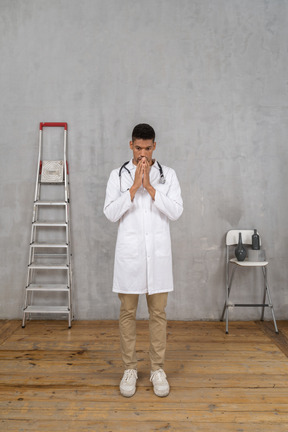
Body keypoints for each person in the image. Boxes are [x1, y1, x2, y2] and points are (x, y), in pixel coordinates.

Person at [103, 123, 183, 397]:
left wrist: (149, 187)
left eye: (148, 148)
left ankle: (157, 369)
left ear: (155, 147)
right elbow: (111, 213)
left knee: (158, 314)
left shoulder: (168, 175)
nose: (143, 154)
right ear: (131, 146)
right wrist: (134, 186)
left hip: (158, 258)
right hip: (130, 258)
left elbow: (175, 212)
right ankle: (129, 369)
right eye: (138, 148)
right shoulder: (118, 175)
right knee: (127, 314)